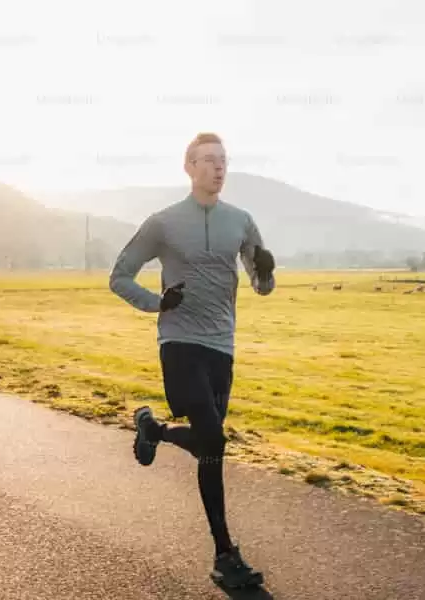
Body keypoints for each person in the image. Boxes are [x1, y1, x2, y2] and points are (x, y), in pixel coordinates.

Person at [108, 132, 275, 589]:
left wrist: (265, 270)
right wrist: (157, 303)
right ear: (188, 167)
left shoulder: (241, 221)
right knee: (214, 439)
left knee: (208, 444)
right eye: (208, 161)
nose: (218, 168)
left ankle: (153, 429)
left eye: (223, 161)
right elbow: (119, 277)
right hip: (179, 342)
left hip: (222, 345)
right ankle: (225, 554)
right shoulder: (163, 223)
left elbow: (261, 286)